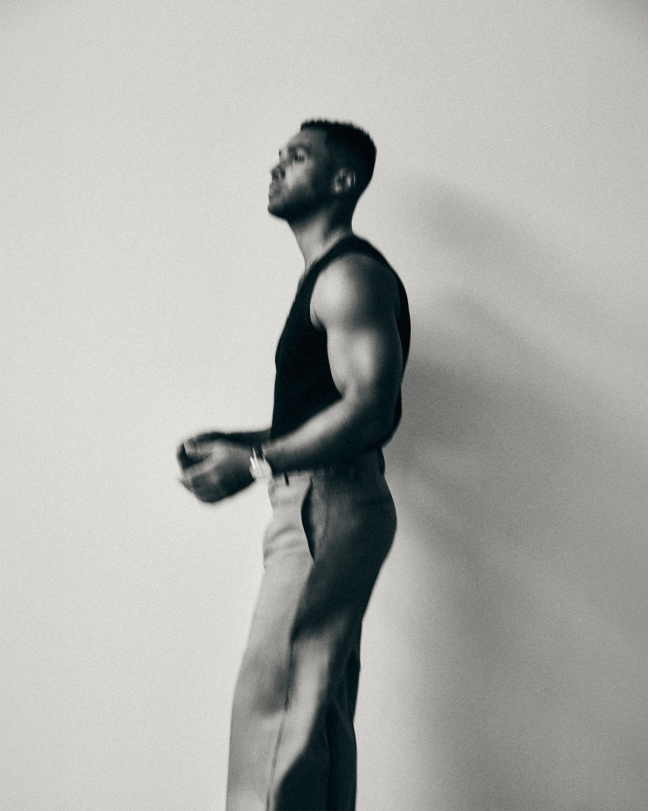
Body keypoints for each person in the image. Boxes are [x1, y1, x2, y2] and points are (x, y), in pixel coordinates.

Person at [177, 120, 410, 811]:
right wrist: (239, 440)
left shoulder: (348, 276)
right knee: (312, 714)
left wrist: (252, 461)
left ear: (342, 181)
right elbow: (333, 408)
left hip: (325, 505)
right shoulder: (328, 275)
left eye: (298, 156)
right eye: (279, 155)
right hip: (332, 501)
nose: (277, 166)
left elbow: (371, 410)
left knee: (274, 712)